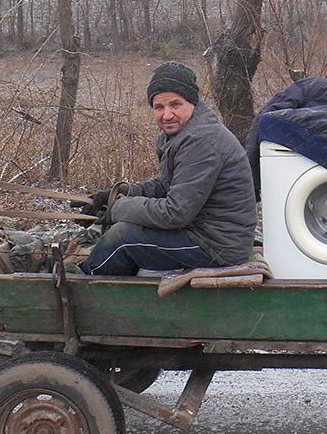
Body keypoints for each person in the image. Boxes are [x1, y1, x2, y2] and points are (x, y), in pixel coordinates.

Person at [77, 62, 257, 275]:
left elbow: (175, 213)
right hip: (205, 231)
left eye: (175, 105)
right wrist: (123, 193)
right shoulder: (182, 133)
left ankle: (86, 284)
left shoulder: (201, 141)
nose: (167, 115)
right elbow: (168, 184)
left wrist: (118, 209)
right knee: (125, 231)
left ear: (192, 102)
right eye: (159, 107)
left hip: (218, 245)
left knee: (123, 238)